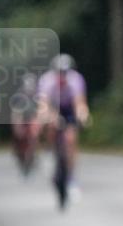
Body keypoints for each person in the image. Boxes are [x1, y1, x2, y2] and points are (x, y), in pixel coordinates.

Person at [36, 54, 90, 195]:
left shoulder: (76, 80)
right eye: (59, 73)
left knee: (71, 140)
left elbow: (79, 103)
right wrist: (47, 116)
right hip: (53, 107)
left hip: (69, 109)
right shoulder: (46, 81)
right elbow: (43, 104)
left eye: (64, 73)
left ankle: (71, 178)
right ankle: (49, 151)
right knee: (50, 125)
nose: (62, 76)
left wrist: (83, 115)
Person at [10, 73, 41, 175]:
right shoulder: (19, 96)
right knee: (18, 135)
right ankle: (18, 152)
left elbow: (40, 111)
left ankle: (34, 152)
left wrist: (38, 124)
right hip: (22, 118)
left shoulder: (38, 96)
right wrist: (17, 127)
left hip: (32, 118)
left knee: (34, 134)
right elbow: (16, 113)